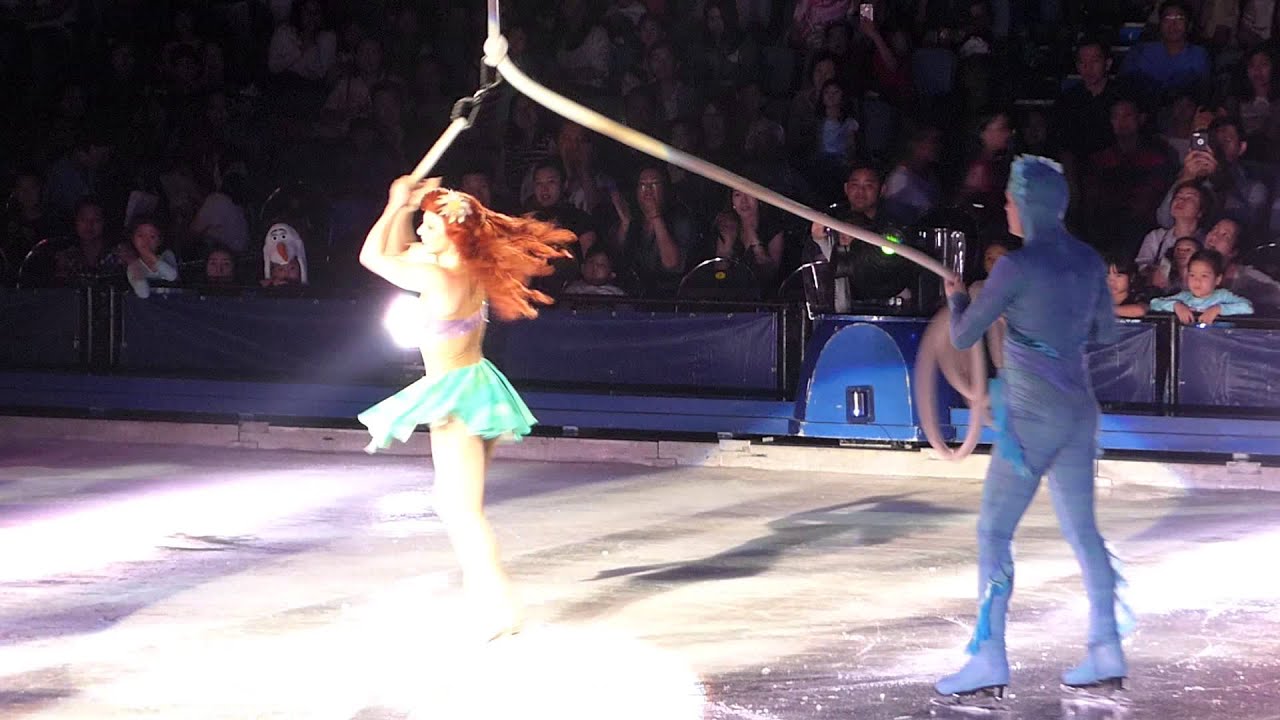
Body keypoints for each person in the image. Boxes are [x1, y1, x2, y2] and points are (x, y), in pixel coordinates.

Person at [936, 156, 1129, 703]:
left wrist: (957, 298)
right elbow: (1107, 333)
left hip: (1031, 419)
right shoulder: (1089, 261)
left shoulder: (1014, 268)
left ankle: (988, 657)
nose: (1005, 206)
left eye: (1010, 198)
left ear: (1028, 203)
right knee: (1084, 532)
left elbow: (963, 335)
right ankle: (1106, 649)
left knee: (994, 532)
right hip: (1078, 412)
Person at [357, 175, 574, 642]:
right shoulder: (459, 266)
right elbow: (398, 250)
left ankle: (502, 606)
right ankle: (485, 599)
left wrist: (394, 203)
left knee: (462, 512)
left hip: (456, 398)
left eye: (431, 227)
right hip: (478, 387)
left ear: (453, 235)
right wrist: (409, 210)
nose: (421, 232)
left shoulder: (438, 276)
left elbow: (372, 257)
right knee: (455, 504)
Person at [1149, 249, 1254, 324]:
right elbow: (1154, 303)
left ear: (1217, 279)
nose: (1197, 280)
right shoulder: (1184, 297)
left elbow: (1248, 308)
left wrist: (1218, 309)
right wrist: (1176, 306)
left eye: (1204, 276)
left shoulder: (1223, 296)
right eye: (1192, 275)